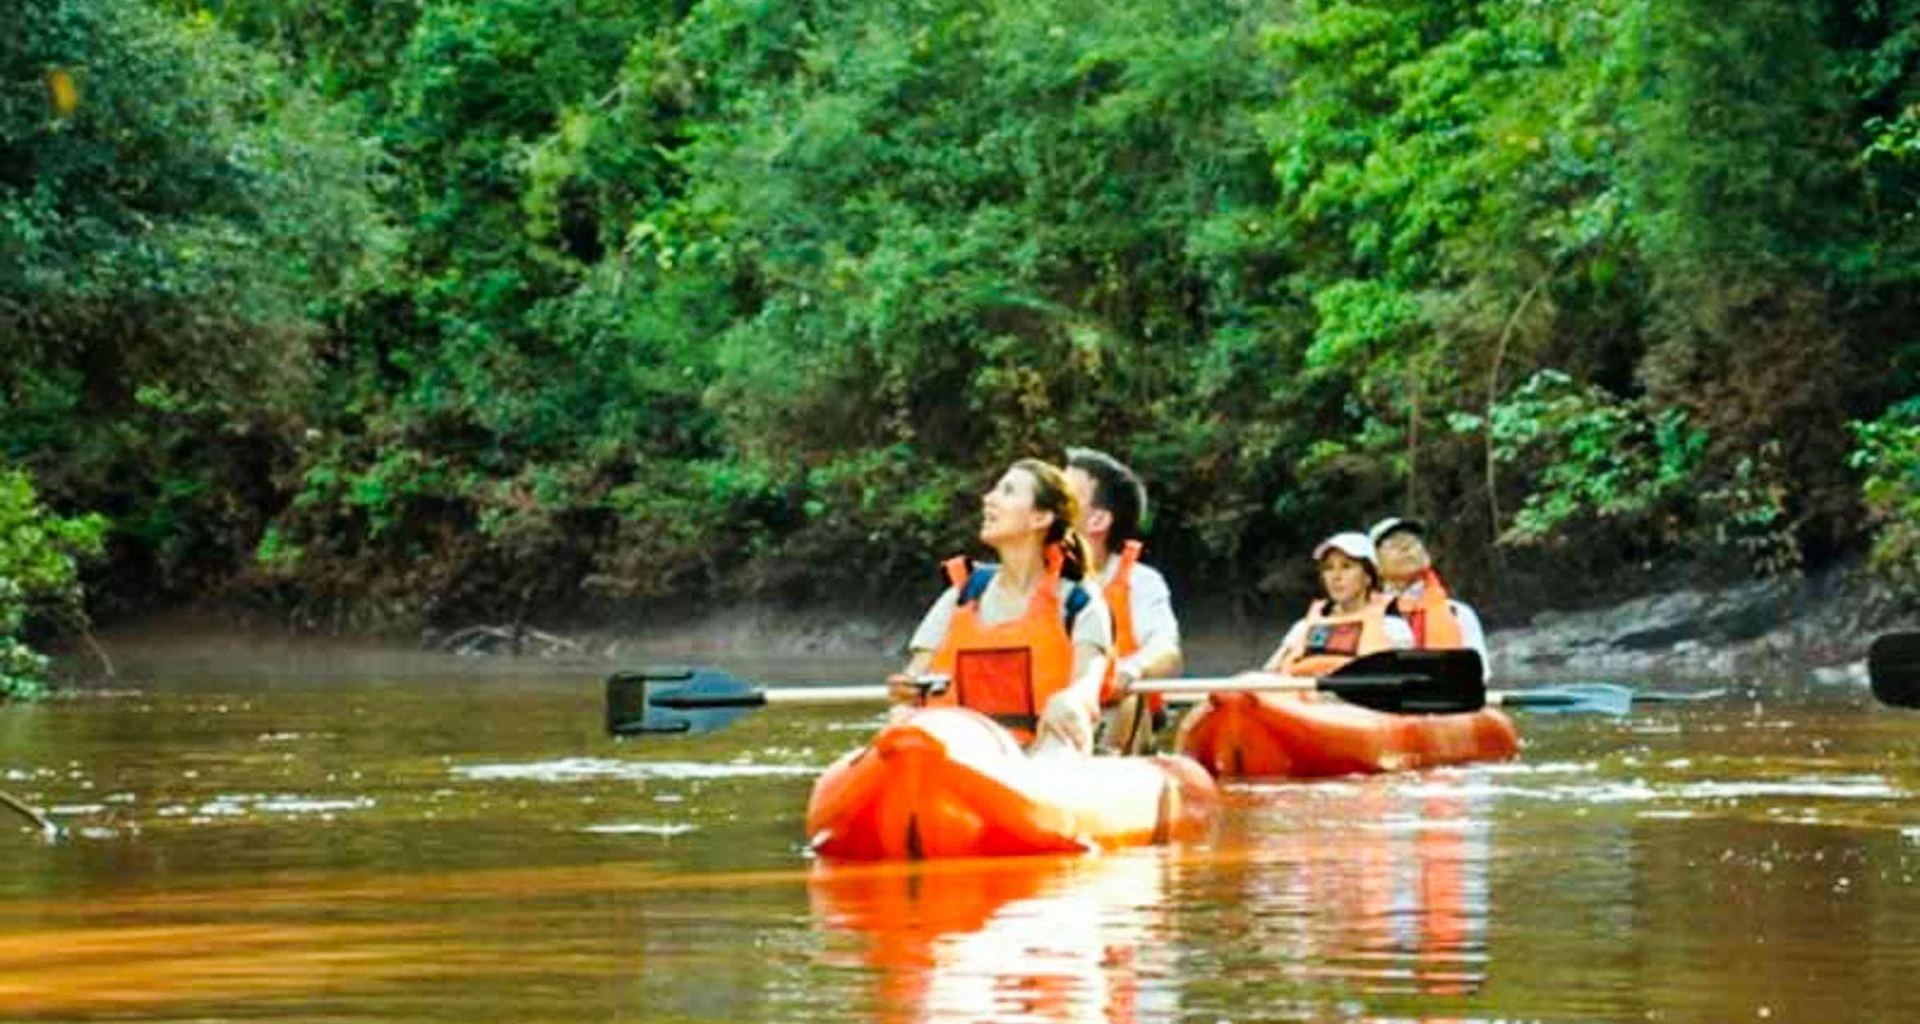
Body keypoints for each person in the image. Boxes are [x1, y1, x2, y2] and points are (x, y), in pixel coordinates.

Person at [890, 458, 1114, 754]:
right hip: (961, 756)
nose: (989, 499)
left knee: (1062, 732)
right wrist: (906, 692)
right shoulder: (961, 595)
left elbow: (1088, 680)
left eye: (1007, 491)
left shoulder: (1078, 601)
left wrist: (1072, 698)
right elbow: (915, 676)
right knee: (903, 723)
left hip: (1044, 753)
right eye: (994, 490)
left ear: (1040, 518)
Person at [1063, 447, 1182, 754]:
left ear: (1098, 520)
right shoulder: (1014, 580)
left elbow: (1166, 649)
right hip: (1037, 718)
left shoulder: (1140, 582)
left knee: (1128, 702)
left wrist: (1131, 669)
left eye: (1064, 495)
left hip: (1110, 713)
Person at [1256, 531, 1413, 678]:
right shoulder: (1303, 627)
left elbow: (1404, 679)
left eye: (1346, 566)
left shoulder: (1392, 626)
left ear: (1368, 577)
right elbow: (1268, 672)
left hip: (1356, 695)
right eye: (1329, 568)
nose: (1336, 576)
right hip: (1301, 694)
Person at [1366, 517, 1490, 680]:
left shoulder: (1458, 613)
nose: (1405, 548)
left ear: (1426, 557)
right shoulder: (1364, 616)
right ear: (1374, 565)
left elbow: (1480, 675)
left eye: (1412, 542)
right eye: (1393, 544)